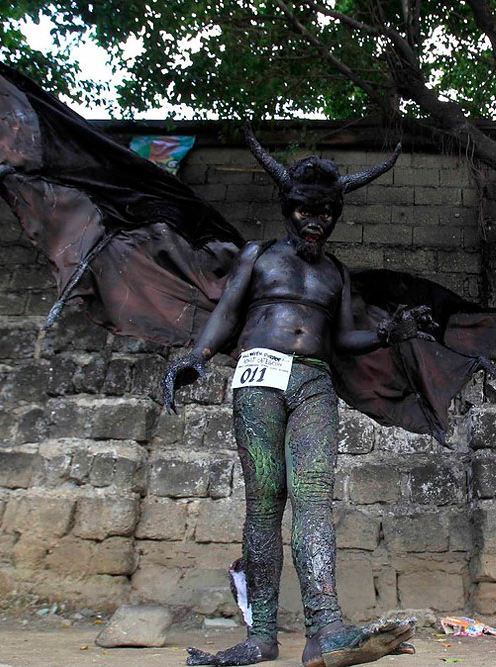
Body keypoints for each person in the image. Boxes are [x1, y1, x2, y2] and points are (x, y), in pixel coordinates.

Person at [162, 130, 433, 667]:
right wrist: (196, 354)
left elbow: (342, 340)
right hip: (258, 381)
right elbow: (227, 312)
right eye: (307, 210)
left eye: (326, 213)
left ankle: (325, 630)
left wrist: (389, 332)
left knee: (313, 499)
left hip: (314, 383)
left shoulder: (336, 273)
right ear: (289, 209)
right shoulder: (258, 255)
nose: (316, 221)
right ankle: (261, 636)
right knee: (264, 504)